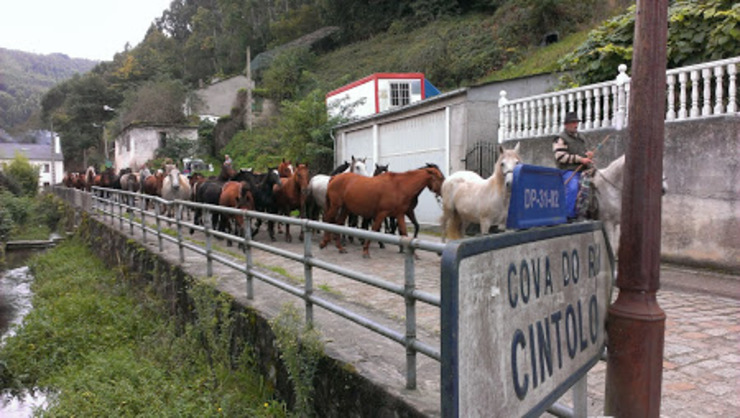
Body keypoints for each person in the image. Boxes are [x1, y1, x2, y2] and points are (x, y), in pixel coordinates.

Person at [553, 112, 593, 219]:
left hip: (583, 170)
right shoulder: (560, 138)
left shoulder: (581, 138)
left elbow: (583, 152)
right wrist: (580, 159)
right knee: (573, 187)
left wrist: (588, 155)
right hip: (568, 170)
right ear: (566, 125)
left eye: (577, 122)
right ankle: (568, 215)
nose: (576, 125)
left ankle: (587, 212)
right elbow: (560, 157)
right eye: (573, 123)